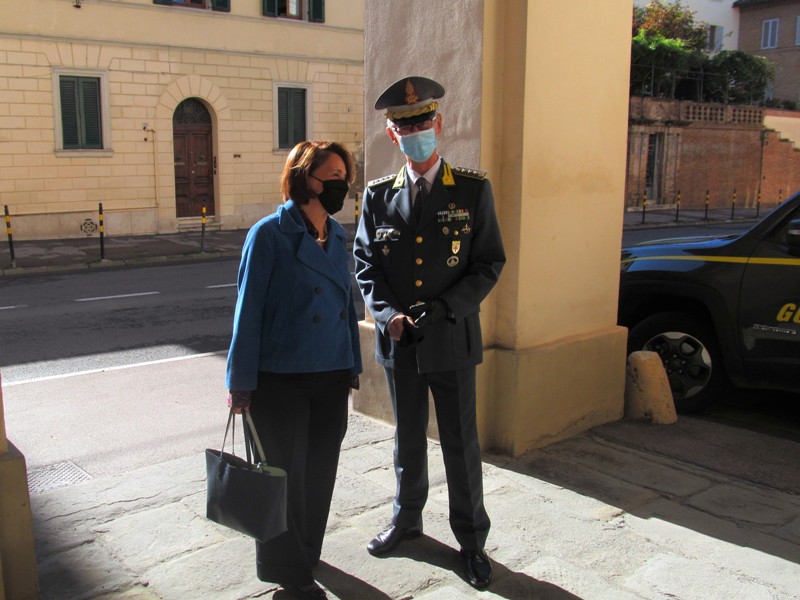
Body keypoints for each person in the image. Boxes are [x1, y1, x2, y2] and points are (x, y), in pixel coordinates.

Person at [353, 76, 505, 589]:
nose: (416, 133)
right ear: (392, 135)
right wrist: (386, 315)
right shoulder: (378, 196)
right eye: (405, 128)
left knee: (461, 444)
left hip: (452, 337)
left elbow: (488, 263)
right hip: (400, 341)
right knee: (407, 439)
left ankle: (472, 540)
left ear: (438, 125)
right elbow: (365, 264)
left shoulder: (473, 189)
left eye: (423, 124)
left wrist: (447, 307)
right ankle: (406, 519)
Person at [226, 140, 362, 600]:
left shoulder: (337, 234)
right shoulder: (268, 234)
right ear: (306, 178)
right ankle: (289, 572)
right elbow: (248, 312)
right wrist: (240, 384)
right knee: (283, 476)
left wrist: (352, 363)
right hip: (281, 379)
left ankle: (308, 550)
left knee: (320, 472)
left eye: (345, 176)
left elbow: (345, 304)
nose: (343, 185)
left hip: (331, 374)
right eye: (334, 176)